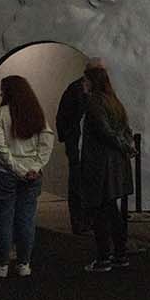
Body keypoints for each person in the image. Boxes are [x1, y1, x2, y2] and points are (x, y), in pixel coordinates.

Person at [0, 75, 54, 278]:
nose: (0, 93)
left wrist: (16, 169)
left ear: (7, 92)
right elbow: (46, 143)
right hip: (32, 176)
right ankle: (24, 264)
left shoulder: (0, 114)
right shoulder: (37, 114)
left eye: (2, 89)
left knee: (3, 219)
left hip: (4, 174)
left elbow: (0, 148)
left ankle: (1, 265)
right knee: (26, 219)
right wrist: (34, 167)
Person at [81, 66, 135, 272]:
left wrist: (124, 146)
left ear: (92, 81)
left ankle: (104, 257)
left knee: (100, 212)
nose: (83, 84)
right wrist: (127, 146)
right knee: (112, 211)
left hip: (100, 165)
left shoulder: (95, 103)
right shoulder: (115, 102)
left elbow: (104, 132)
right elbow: (124, 130)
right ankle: (119, 254)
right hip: (116, 164)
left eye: (85, 80)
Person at [57, 58, 104, 236]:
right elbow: (66, 117)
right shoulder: (79, 90)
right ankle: (81, 222)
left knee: (80, 183)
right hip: (79, 144)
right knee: (78, 184)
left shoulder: (75, 89)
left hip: (78, 143)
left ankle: (85, 221)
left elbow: (62, 116)